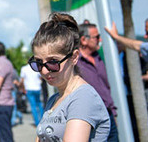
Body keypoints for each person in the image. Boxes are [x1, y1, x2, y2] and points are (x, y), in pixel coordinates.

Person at [31, 13, 110, 141]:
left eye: (53, 62)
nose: (45, 71)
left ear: (74, 57)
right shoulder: (54, 99)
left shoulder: (83, 97)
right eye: (38, 63)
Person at [77, 22, 119, 141]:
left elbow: (105, 87)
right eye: (96, 37)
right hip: (91, 119)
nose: (99, 40)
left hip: (108, 114)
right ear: (84, 40)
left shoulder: (99, 56)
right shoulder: (75, 63)